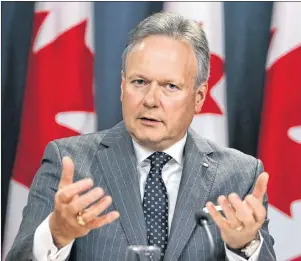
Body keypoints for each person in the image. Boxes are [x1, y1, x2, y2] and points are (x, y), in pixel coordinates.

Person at [6, 12, 276, 261]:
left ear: (199, 98)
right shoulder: (69, 163)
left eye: (170, 86)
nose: (150, 100)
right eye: (139, 82)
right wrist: (56, 234)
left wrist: (245, 246)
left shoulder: (240, 175)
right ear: (123, 87)